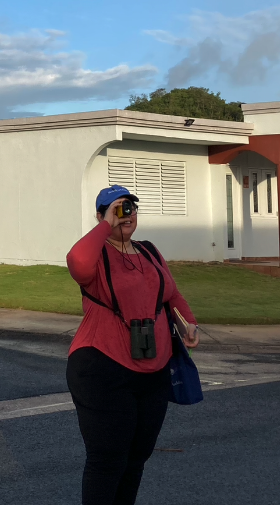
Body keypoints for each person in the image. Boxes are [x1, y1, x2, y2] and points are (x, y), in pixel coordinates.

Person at [65, 184, 200, 505]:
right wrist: (105, 226)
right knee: (107, 459)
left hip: (153, 369)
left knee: (137, 457)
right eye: (117, 209)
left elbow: (172, 294)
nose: (127, 214)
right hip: (102, 367)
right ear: (101, 216)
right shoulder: (95, 255)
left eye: (130, 208)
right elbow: (77, 262)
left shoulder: (149, 251)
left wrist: (189, 323)